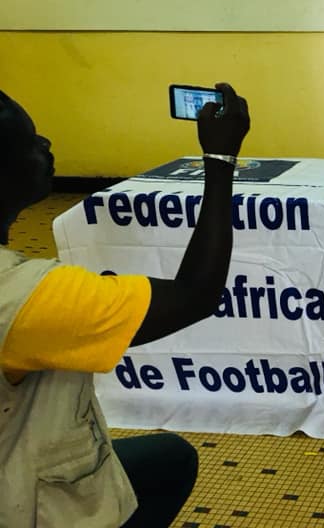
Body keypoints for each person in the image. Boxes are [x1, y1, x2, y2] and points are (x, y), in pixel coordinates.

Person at [0, 83, 250, 528]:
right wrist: (220, 160)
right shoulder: (24, 295)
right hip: (24, 499)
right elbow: (196, 293)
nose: (45, 144)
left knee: (167, 459)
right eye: (30, 140)